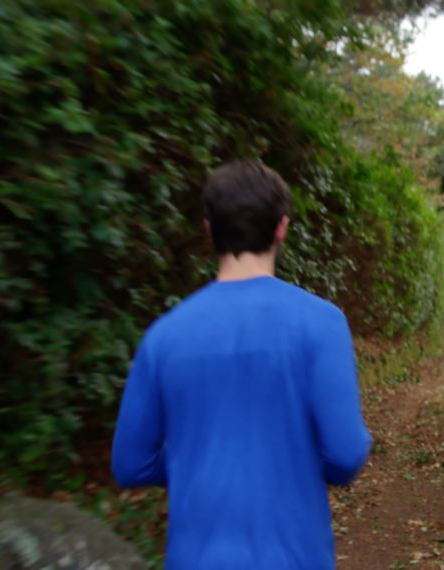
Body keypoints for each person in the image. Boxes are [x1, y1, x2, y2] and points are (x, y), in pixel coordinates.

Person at [111, 160, 372, 569]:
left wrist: (193, 455)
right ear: (282, 227)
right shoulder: (322, 324)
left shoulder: (163, 336)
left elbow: (130, 464)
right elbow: (346, 453)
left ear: (209, 229)